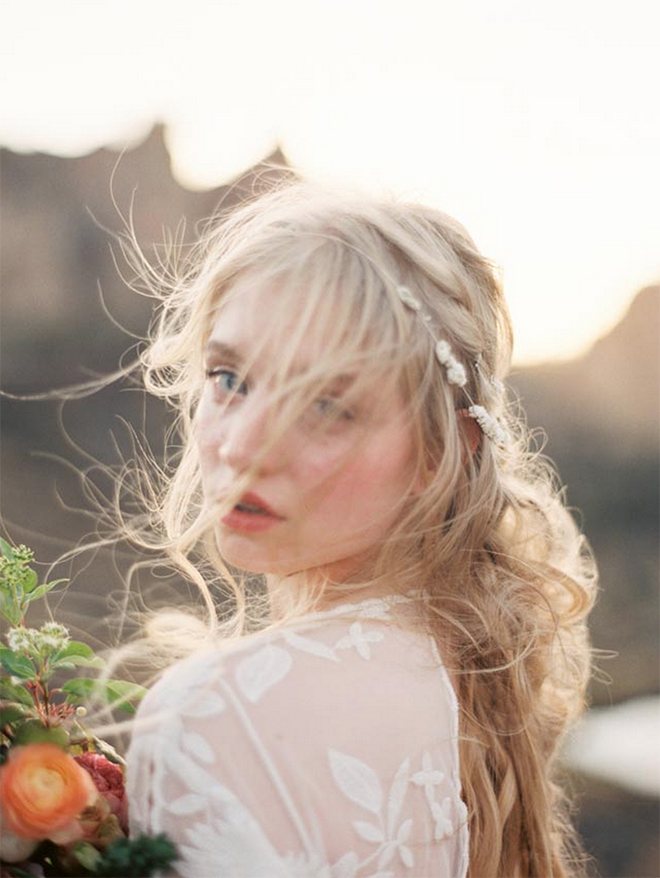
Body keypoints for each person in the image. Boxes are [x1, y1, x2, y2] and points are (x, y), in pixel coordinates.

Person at [124, 180, 596, 878]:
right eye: (229, 377)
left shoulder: (212, 719)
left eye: (325, 404)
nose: (242, 445)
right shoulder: (467, 668)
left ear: (444, 449)